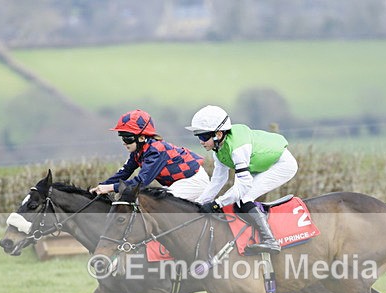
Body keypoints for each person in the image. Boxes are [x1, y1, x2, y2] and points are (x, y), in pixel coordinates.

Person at [185, 105, 297, 254]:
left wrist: (217, 204)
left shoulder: (238, 148)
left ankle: (270, 241)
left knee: (243, 198)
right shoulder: (218, 150)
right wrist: (199, 204)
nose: (200, 141)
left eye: (203, 137)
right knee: (239, 200)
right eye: (198, 137)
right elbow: (218, 181)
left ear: (218, 134)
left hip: (281, 164)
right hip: (261, 166)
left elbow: (243, 186)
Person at [90, 109, 210, 201]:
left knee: (159, 204)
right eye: (122, 137)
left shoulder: (156, 151)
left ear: (142, 138)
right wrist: (100, 187)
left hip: (193, 181)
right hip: (179, 183)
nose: (124, 143)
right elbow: (123, 173)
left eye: (128, 138)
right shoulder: (138, 151)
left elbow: (140, 183)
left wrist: (110, 188)